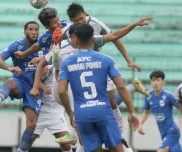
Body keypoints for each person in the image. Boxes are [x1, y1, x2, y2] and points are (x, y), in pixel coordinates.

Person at [58, 24, 139, 152]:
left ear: (76, 40)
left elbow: (61, 90)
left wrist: (70, 113)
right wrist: (132, 112)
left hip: (82, 114)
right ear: (94, 39)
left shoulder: (67, 63)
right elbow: (121, 87)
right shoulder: (106, 60)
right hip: (103, 112)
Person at [0, 21, 43, 152]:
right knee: (9, 83)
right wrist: (10, 68)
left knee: (32, 124)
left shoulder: (43, 45)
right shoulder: (17, 45)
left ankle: (21, 150)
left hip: (36, 87)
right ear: (25, 32)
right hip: (21, 81)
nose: (34, 32)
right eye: (30, 29)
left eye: (36, 29)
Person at [31, 65, 74, 152]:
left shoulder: (68, 65)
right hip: (40, 111)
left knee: (65, 144)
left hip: (56, 111)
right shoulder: (46, 64)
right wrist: (45, 88)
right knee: (27, 142)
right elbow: (34, 79)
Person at [138, 71, 182, 152]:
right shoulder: (148, 96)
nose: (155, 83)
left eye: (158, 80)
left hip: (172, 131)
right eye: (153, 80)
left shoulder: (169, 96)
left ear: (163, 82)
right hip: (163, 133)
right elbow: (146, 112)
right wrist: (140, 124)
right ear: (150, 82)